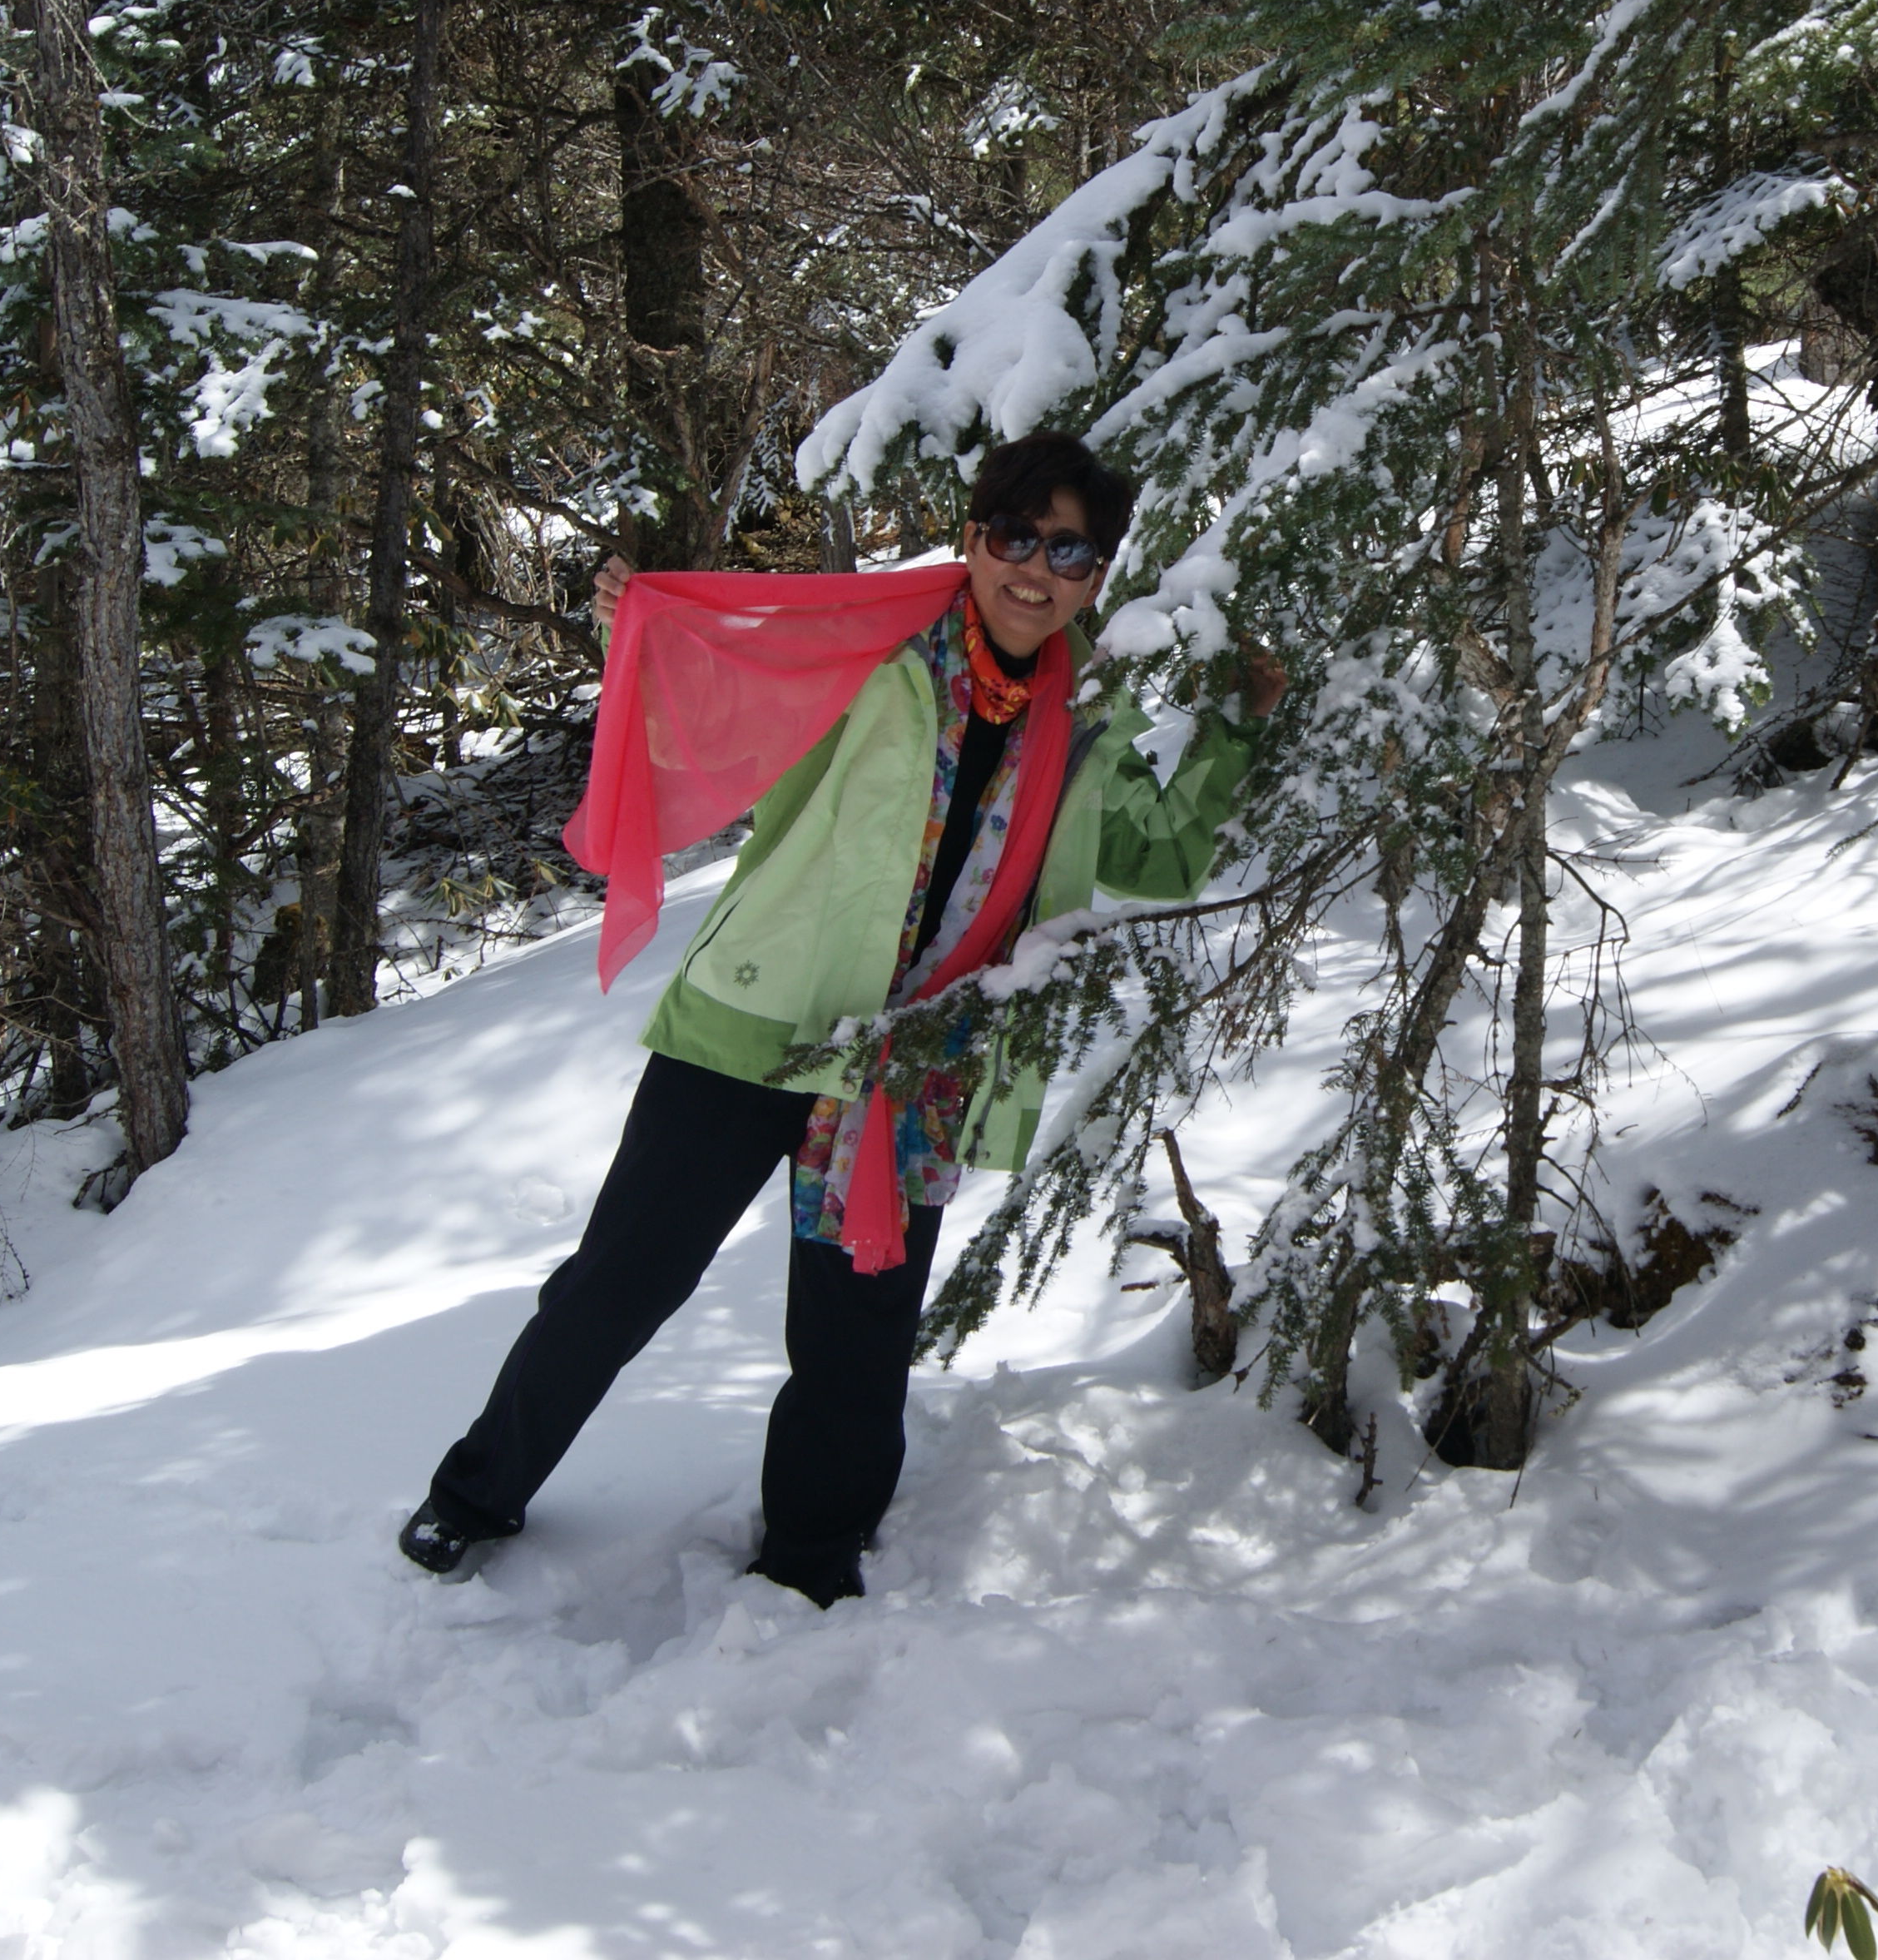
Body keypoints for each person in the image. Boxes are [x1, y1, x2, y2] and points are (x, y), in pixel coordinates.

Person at [398, 432, 1281, 1600]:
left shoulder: (1088, 718)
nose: (1036, 570)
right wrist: (652, 616)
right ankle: (474, 1494)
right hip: (751, 1025)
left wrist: (1234, 726)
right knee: (619, 1283)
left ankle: (812, 1561)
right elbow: (723, 690)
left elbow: (1163, 854)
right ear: (974, 539)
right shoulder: (879, 655)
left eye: (1069, 550)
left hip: (917, 1059)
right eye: (1016, 537)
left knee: (857, 1336)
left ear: (1096, 573)